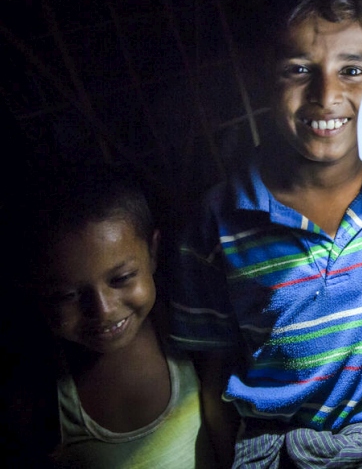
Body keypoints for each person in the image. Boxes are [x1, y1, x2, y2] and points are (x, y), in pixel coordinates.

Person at [167, 0, 362, 468]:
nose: (326, 95)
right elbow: (212, 369)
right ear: (260, 78)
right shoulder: (220, 219)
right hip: (278, 449)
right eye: (298, 69)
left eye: (353, 70)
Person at [6, 164, 215, 468]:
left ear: (153, 252)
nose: (102, 310)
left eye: (122, 278)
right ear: (34, 290)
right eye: (67, 295)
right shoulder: (39, 396)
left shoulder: (190, 333)